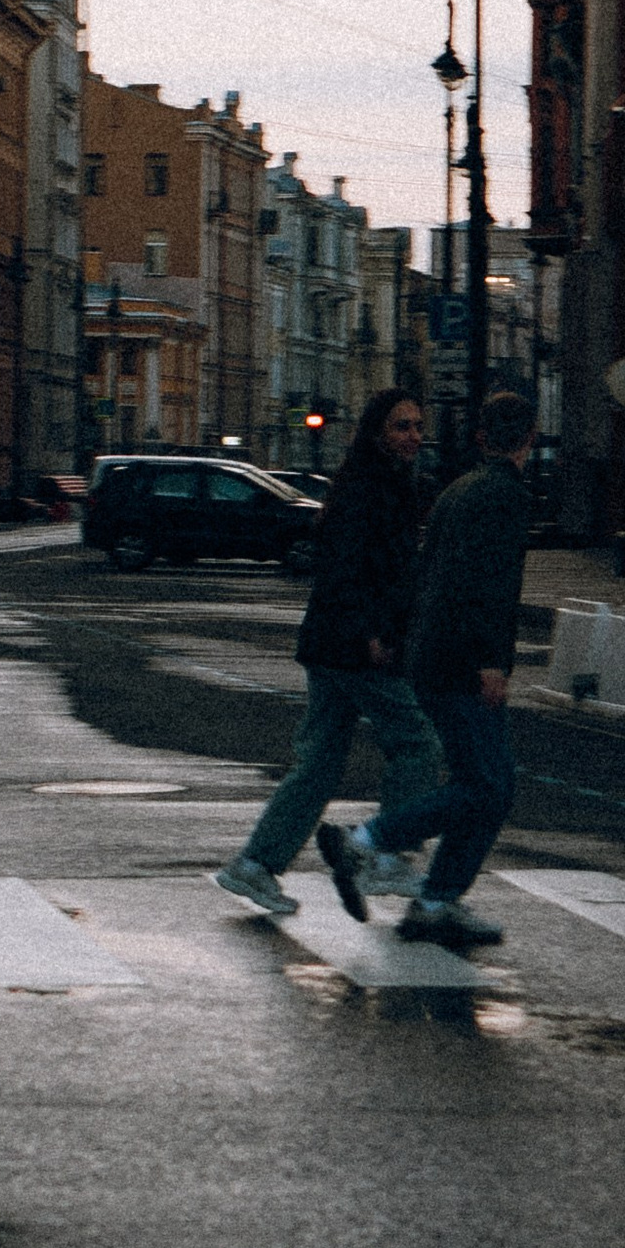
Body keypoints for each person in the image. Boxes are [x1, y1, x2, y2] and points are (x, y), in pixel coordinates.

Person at [215, 389, 446, 921]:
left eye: (417, 426)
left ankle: (256, 864)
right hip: (353, 646)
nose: (414, 436)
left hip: (330, 643)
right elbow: (346, 569)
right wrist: (372, 632)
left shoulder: (377, 483)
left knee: (318, 764)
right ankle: (385, 853)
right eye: (401, 427)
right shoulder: (371, 488)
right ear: (377, 434)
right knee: (417, 743)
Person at [374, 385, 537, 946]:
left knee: (483, 785)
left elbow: (425, 573)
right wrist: (492, 662)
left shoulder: (456, 491)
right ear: (532, 441)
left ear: (480, 439)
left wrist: (399, 638)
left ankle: (437, 901)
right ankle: (368, 842)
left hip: (431, 654)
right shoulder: (507, 496)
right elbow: (493, 587)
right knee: (489, 786)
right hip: (464, 663)